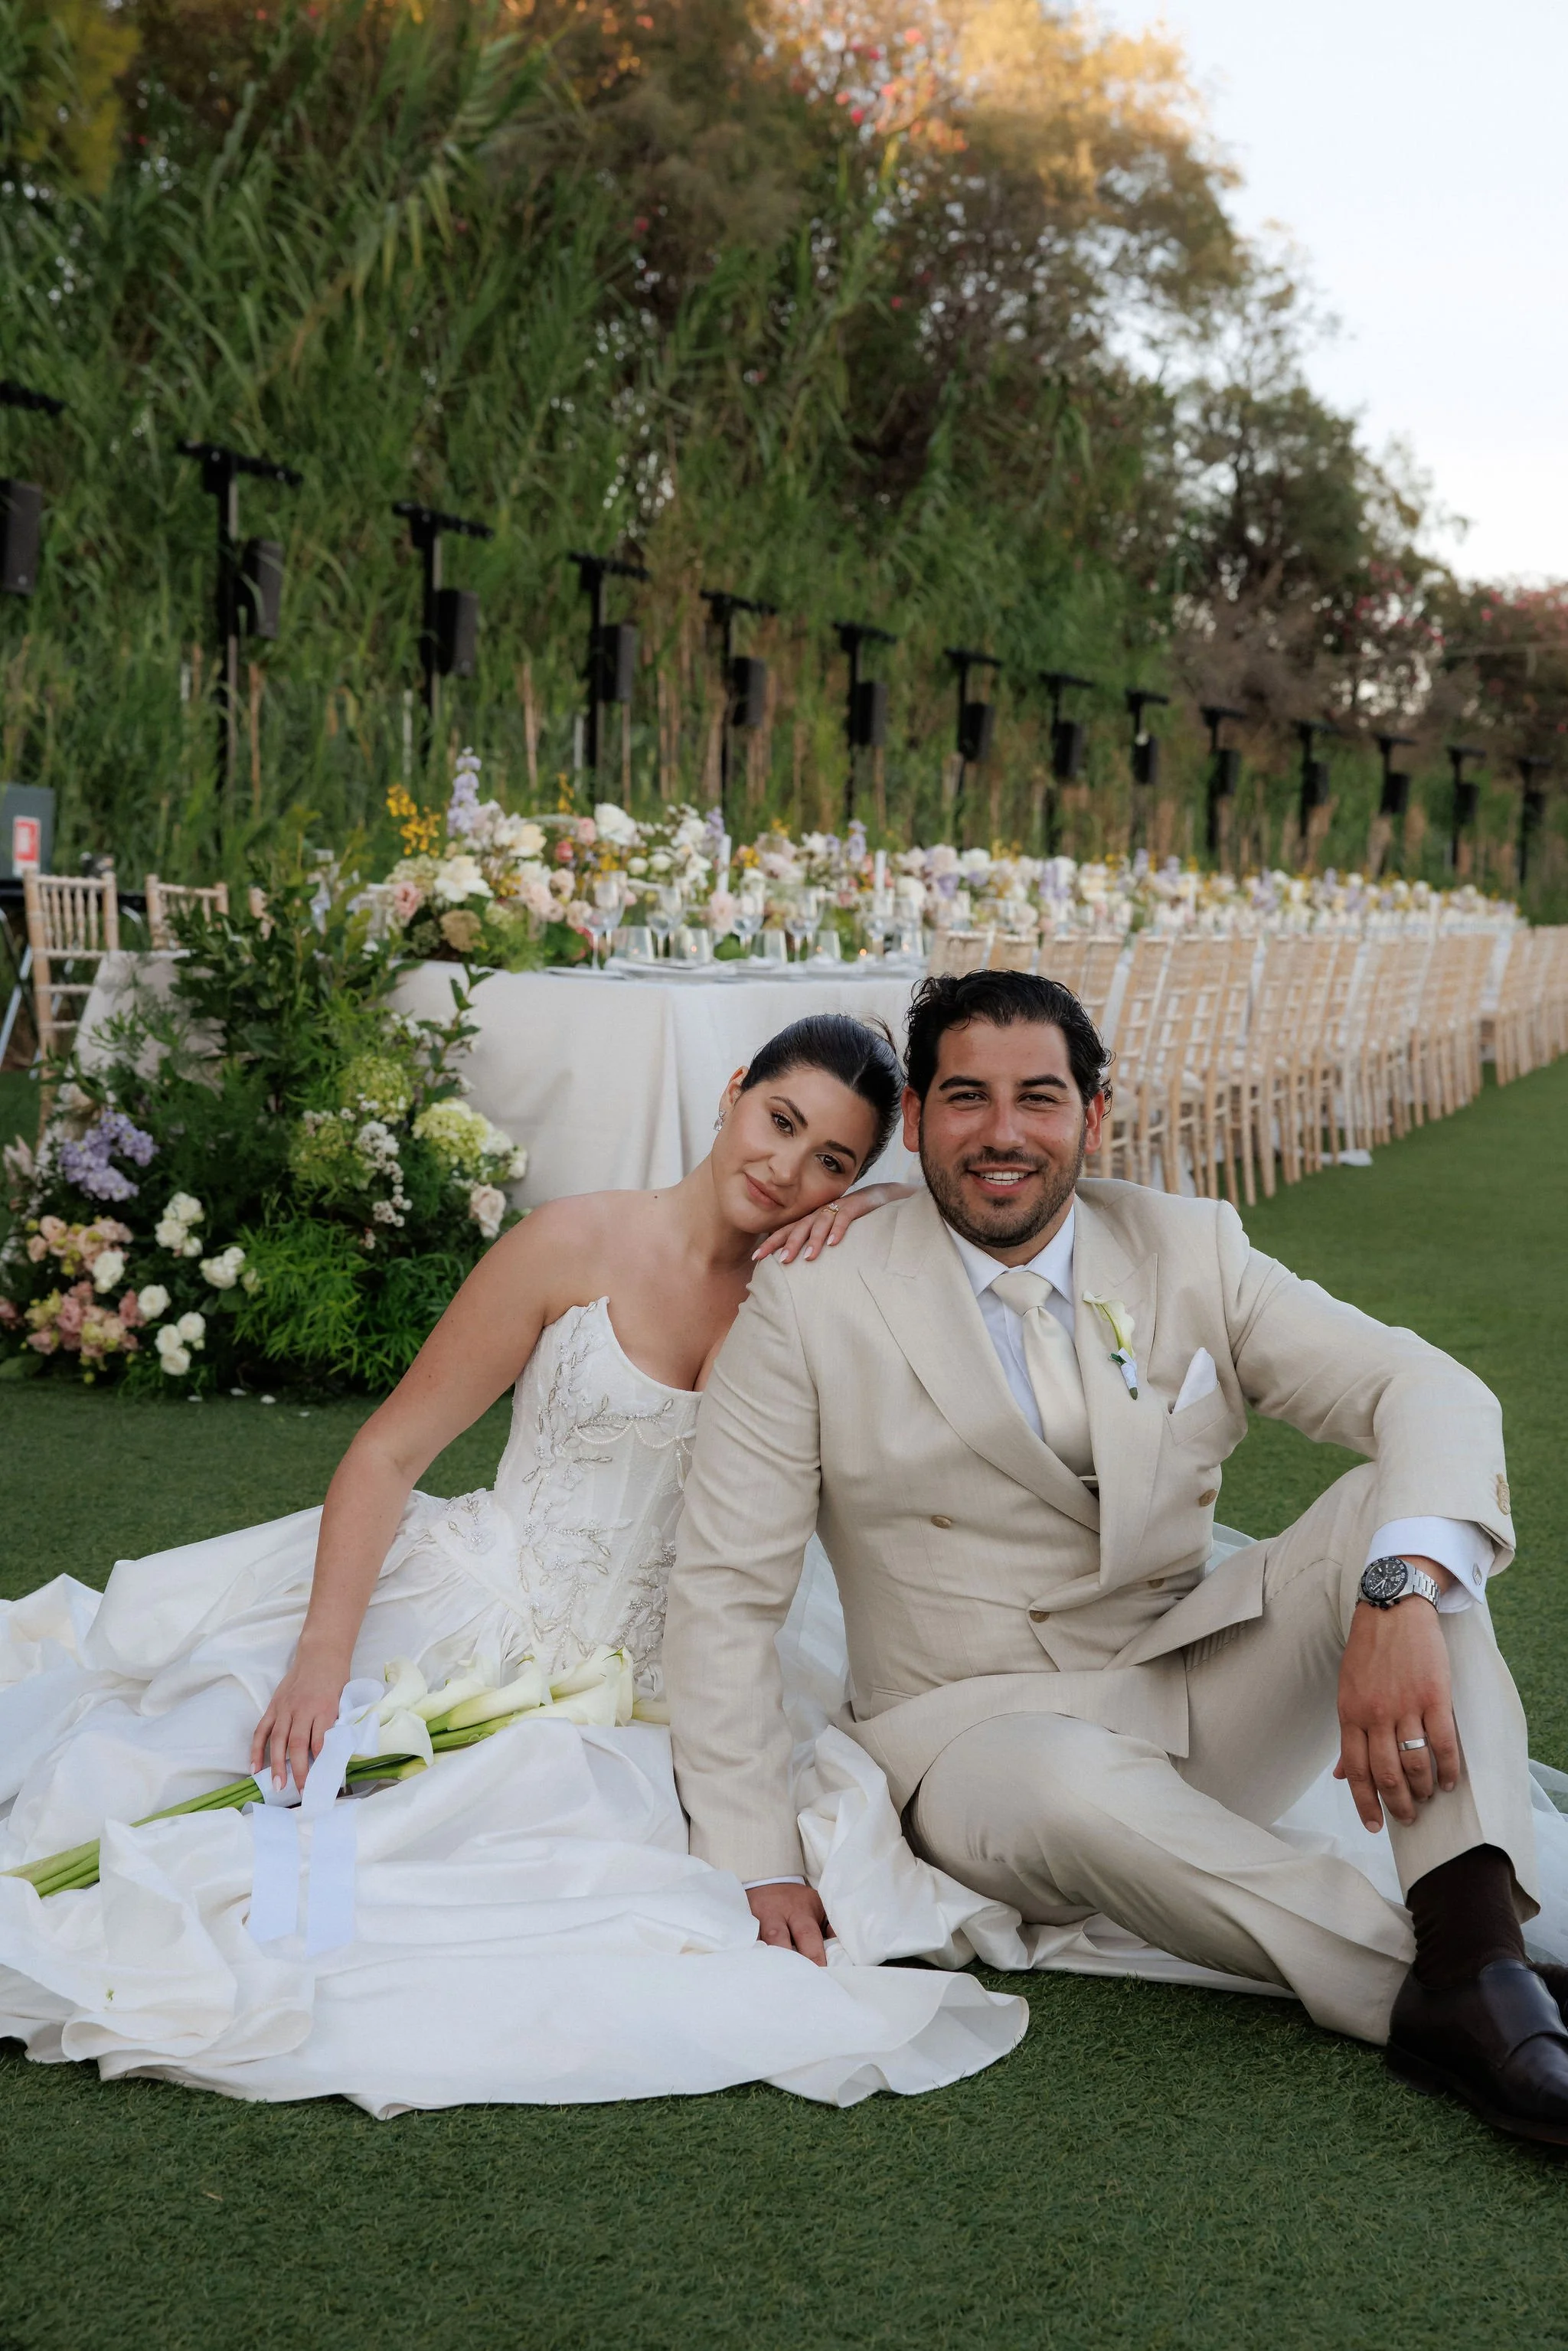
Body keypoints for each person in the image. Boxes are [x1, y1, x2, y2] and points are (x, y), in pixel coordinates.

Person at [0, 1014, 1027, 2111]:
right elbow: (391, 1450)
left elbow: (982, 1226)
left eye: (832, 1161)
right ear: (734, 1091)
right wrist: (321, 1654)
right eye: (779, 1122)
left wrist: (887, 1208)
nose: (787, 1169)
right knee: (186, 1777)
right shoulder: (572, 1244)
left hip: (652, 1697)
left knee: (545, 1892)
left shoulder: (811, 1291)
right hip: (467, 1607)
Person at [666, 968, 1568, 2148]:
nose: (1001, 1133)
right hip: (977, 1744)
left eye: (1038, 1097)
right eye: (965, 1098)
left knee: (1399, 1520)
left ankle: (1473, 1952)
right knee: (1067, 1781)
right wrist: (754, 1857)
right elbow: (728, 1590)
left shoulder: (1192, 1246)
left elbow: (1426, 1386)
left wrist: (1394, 1593)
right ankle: (1450, 1986)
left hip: (1187, 1691)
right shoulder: (810, 1299)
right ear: (919, 1125)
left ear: (1096, 1114)